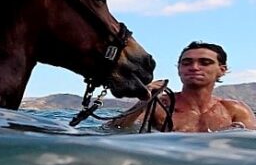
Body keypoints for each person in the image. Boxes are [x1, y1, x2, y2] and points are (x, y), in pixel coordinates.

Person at [107, 41, 256, 132]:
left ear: (221, 70)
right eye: (186, 63)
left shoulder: (234, 110)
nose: (194, 67)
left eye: (205, 63)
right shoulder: (159, 106)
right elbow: (113, 129)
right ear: (179, 69)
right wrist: (144, 100)